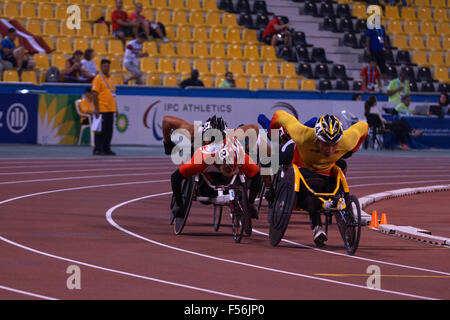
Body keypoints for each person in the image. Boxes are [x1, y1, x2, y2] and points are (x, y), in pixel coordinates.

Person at [269, 111, 368, 246]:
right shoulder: (302, 135)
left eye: (334, 145)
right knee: (310, 191)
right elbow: (278, 115)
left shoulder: (346, 140)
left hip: (327, 174)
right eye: (326, 144)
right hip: (303, 171)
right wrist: (272, 135)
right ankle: (317, 227)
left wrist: (352, 150)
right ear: (317, 138)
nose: (330, 149)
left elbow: (364, 126)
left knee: (339, 173)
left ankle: (340, 210)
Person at [170, 116, 262, 220]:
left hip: (221, 158)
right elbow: (175, 177)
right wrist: (179, 202)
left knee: (255, 173)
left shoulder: (239, 153)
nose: (211, 141)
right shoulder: (202, 156)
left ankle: (250, 203)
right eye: (209, 139)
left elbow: (257, 176)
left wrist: (250, 202)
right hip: (205, 161)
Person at [92, 59, 118, 156]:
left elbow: (113, 95)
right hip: (102, 109)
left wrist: (116, 109)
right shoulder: (98, 78)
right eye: (104, 66)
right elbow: (94, 94)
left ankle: (107, 148)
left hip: (111, 109)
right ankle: (98, 149)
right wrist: (96, 108)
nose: (106, 68)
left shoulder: (111, 79)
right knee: (100, 131)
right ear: (101, 67)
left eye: (108, 66)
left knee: (108, 131)